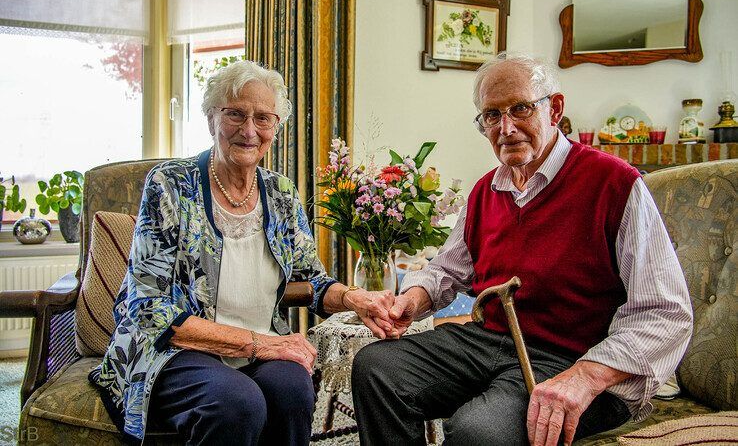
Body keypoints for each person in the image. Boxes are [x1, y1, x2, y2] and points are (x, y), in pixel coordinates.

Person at [351, 54, 693, 446]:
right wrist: (411, 300)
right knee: (376, 368)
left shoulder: (615, 183)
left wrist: (585, 375)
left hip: (575, 357)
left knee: (478, 431)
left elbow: (666, 313)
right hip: (490, 339)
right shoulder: (487, 190)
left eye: (521, 109)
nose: (506, 128)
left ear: (555, 109)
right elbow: (446, 269)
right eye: (492, 116)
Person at [89, 60, 395, 445]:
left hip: (260, 344)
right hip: (175, 350)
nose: (249, 130)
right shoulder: (170, 185)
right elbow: (148, 307)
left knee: (293, 391)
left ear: (276, 129)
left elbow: (310, 281)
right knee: (237, 402)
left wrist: (354, 298)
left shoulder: (281, 193)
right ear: (211, 118)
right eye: (235, 114)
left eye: (264, 119)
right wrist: (260, 343)